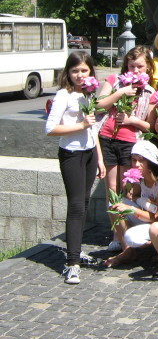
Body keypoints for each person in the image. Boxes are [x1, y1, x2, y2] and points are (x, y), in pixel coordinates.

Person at [45, 52, 106, 284]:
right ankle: (72, 263)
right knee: (76, 206)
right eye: (75, 71)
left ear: (91, 72)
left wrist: (99, 158)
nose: (80, 75)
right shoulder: (64, 95)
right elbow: (50, 128)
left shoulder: (89, 94)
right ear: (68, 73)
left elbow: (93, 131)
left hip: (89, 153)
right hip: (71, 154)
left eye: (84, 71)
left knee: (86, 204)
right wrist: (80, 124)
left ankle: (77, 250)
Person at [97, 45, 155, 251]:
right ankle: (116, 234)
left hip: (132, 143)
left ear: (148, 68)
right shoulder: (115, 81)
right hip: (108, 138)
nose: (136, 71)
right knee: (112, 189)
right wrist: (121, 91)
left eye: (140, 66)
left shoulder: (150, 92)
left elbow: (150, 125)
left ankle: (126, 233)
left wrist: (131, 120)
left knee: (128, 191)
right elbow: (99, 104)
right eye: (132, 66)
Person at [104, 141, 158, 267]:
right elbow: (134, 197)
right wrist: (137, 199)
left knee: (132, 237)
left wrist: (133, 209)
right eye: (134, 160)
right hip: (146, 215)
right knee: (115, 205)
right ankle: (128, 251)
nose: (136, 165)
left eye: (141, 160)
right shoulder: (140, 178)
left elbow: (157, 216)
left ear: (150, 161)